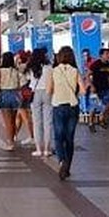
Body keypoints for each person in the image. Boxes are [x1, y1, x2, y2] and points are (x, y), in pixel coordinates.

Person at [48, 46, 85, 180]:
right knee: (69, 138)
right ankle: (67, 167)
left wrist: (57, 93)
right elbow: (83, 90)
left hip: (58, 106)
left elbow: (48, 90)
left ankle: (62, 161)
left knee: (58, 137)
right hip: (72, 106)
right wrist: (73, 94)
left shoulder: (53, 71)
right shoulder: (75, 71)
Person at [28, 48, 53, 157]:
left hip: (35, 94)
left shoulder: (31, 68)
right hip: (48, 93)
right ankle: (47, 149)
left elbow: (28, 80)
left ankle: (38, 149)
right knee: (48, 122)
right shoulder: (49, 67)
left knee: (36, 122)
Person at [0, 52, 22, 150]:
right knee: (13, 119)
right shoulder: (16, 70)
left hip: (5, 94)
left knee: (7, 122)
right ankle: (13, 138)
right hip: (15, 95)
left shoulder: (0, 71)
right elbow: (19, 84)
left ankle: (10, 143)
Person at [89, 48, 109, 129]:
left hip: (106, 87)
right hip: (96, 88)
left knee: (108, 103)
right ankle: (91, 122)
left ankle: (101, 119)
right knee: (94, 106)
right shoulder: (95, 64)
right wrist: (91, 85)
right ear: (101, 55)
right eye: (106, 54)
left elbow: (108, 76)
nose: (108, 55)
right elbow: (87, 75)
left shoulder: (108, 64)